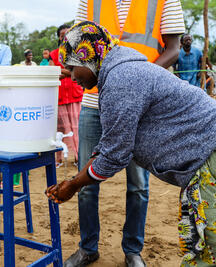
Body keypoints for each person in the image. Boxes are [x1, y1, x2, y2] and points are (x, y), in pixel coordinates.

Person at [46, 21, 216, 267]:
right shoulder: (118, 72)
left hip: (208, 159)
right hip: (201, 162)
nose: (72, 77)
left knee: (210, 246)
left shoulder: (122, 79)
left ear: (89, 57)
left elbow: (115, 156)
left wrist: (73, 185)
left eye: (73, 68)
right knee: (200, 246)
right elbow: (111, 142)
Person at [69, 1, 185, 266]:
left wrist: (136, 84)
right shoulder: (89, 1)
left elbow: (174, 48)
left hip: (139, 106)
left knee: (139, 185)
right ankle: (88, 247)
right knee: (85, 181)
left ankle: (133, 250)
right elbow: (77, 46)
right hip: (93, 103)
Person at [50, 24, 83, 168]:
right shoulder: (54, 54)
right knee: (59, 129)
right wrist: (70, 72)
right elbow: (52, 73)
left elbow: (81, 72)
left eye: (68, 34)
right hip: (60, 96)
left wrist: (63, 71)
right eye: (62, 35)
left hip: (75, 95)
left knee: (78, 128)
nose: (65, 37)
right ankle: (58, 159)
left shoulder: (79, 52)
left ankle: (78, 157)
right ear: (59, 37)